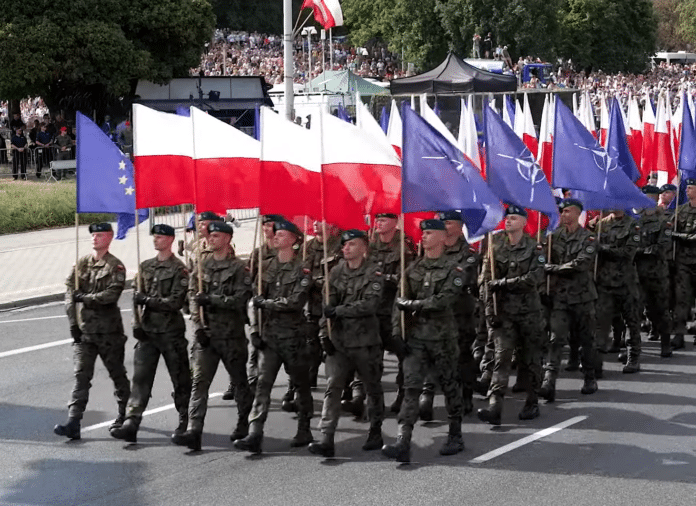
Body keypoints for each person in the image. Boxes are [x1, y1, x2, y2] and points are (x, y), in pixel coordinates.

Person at [382, 219, 465, 463]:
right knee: (411, 389)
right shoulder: (412, 269)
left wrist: (414, 305)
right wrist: (396, 333)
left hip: (443, 339)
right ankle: (403, 440)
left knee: (450, 386)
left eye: (429, 233)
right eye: (423, 233)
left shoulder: (453, 269)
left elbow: (446, 299)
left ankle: (455, 434)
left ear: (441, 236)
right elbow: (399, 303)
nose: (424, 237)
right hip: (416, 340)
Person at [234, 219, 314, 454]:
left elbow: (295, 302)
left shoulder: (303, 269)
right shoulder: (267, 266)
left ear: (293, 239)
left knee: (301, 385)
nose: (275, 237)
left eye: (281, 234)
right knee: (262, 384)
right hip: (269, 338)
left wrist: (266, 303)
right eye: (275, 233)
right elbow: (255, 303)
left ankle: (304, 428)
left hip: (293, 338)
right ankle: (255, 432)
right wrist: (256, 331)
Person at [173, 221, 253, 451]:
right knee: (199, 382)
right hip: (206, 336)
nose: (210, 239)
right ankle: (194, 430)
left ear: (227, 239)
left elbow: (240, 299)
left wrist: (213, 300)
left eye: (216, 235)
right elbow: (192, 297)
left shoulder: (240, 268)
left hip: (231, 336)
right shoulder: (201, 266)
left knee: (239, 382)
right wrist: (197, 326)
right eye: (210, 235)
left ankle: (243, 423)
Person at [110, 224, 191, 443]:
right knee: (140, 379)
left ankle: (186, 420)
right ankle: (132, 422)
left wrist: (148, 301)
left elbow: (175, 302)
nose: (156, 240)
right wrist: (136, 323)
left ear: (171, 240)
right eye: (154, 237)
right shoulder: (146, 267)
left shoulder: (179, 269)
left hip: (171, 333)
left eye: (160, 237)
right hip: (148, 333)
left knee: (181, 378)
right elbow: (136, 298)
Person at [308, 229, 385, 457]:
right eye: (344, 245)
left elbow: (370, 304)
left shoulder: (374, 272)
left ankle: (375, 430)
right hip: (339, 342)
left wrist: (339, 311)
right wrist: (324, 333)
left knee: (372, 387)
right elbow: (326, 306)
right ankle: (326, 436)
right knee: (333, 388)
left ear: (363, 247)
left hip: (365, 342)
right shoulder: (336, 272)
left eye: (351, 244)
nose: (346, 248)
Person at [55, 223, 130, 440]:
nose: (94, 238)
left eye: (99, 235)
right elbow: (70, 292)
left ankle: (126, 415)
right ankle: (74, 421)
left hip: (108, 333)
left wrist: (85, 298)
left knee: (117, 375)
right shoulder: (81, 264)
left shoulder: (115, 266)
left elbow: (111, 296)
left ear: (109, 237)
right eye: (93, 235)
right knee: (81, 376)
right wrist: (72, 323)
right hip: (84, 332)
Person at [478, 206, 545, 425]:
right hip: (504, 313)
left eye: (514, 218)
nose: (508, 221)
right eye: (507, 217)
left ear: (524, 223)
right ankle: (494, 404)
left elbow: (534, 278)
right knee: (501, 358)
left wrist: (503, 284)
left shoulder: (534, 248)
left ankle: (532, 401)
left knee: (531, 359)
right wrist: (490, 313)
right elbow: (486, 282)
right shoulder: (495, 247)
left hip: (529, 314)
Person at [419, 211, 479, 420]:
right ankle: (426, 396)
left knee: (462, 356)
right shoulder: (433, 250)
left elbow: (461, 278)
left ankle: (466, 394)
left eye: (449, 222)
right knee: (430, 354)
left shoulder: (468, 252)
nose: (444, 225)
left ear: (459, 225)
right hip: (435, 314)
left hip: (459, 313)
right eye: (442, 222)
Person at [541, 199, 598, 400]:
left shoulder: (588, 239)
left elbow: (581, 263)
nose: (563, 214)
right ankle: (549, 381)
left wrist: (554, 269)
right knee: (556, 339)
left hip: (583, 297)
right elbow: (543, 259)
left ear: (577, 213)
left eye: (567, 211)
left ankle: (590, 377)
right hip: (560, 298)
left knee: (586, 340)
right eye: (562, 211)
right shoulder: (553, 237)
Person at [368, 212, 415, 413]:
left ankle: (403, 394)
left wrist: (383, 279)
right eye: (377, 219)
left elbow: (407, 280)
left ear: (395, 222)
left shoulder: (404, 246)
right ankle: (371, 398)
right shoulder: (370, 245)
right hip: (373, 309)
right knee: (371, 355)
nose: (378, 223)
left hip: (395, 310)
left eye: (383, 220)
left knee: (402, 354)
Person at [589, 209, 642, 374]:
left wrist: (602, 249)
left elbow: (628, 253)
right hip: (605, 282)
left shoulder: (633, 225)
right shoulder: (601, 225)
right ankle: (597, 362)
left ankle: (633, 358)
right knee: (601, 323)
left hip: (626, 282)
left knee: (631, 321)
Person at [636, 186, 673, 358]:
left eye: (649, 198)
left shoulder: (663, 222)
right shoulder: (636, 222)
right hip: (637, 273)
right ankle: (633, 350)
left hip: (657, 273)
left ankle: (666, 344)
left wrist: (641, 251)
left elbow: (662, 247)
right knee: (636, 310)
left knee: (661, 309)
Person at [670, 178, 696, 349]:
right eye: (687, 188)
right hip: (683, 262)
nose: (687, 190)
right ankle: (678, 334)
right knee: (682, 298)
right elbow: (669, 230)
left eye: (691, 188)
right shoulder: (680, 211)